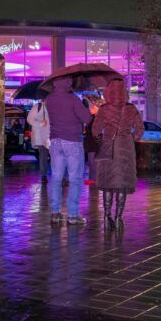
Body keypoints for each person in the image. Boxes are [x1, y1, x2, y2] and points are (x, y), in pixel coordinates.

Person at [92, 79, 143, 230]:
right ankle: (119, 217)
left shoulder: (104, 109)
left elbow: (95, 131)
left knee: (108, 184)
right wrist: (130, 139)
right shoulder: (131, 108)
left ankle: (107, 217)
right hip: (125, 147)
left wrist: (103, 137)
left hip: (108, 146)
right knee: (122, 184)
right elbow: (140, 129)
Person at [45, 77, 93, 225]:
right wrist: (87, 109)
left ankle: (55, 213)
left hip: (55, 141)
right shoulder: (72, 99)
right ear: (67, 83)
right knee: (75, 179)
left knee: (56, 178)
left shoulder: (49, 99)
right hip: (72, 140)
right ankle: (72, 215)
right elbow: (87, 118)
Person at [26, 98, 51, 183]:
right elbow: (29, 119)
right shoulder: (37, 107)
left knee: (56, 157)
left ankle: (59, 176)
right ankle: (44, 175)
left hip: (51, 135)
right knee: (43, 156)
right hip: (40, 136)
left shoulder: (53, 107)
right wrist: (40, 123)